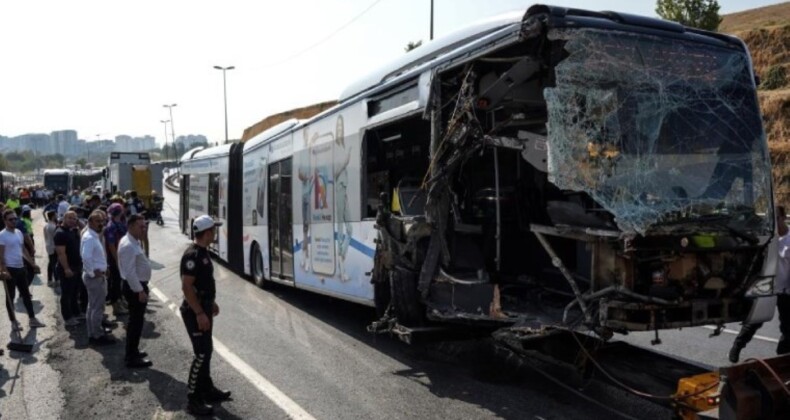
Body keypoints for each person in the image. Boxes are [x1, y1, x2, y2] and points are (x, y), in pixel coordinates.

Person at [180, 215, 231, 415]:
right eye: (214, 229)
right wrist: (200, 312)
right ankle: (193, 399)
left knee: (207, 351)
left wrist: (211, 303)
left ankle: (207, 389)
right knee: (200, 354)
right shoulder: (192, 255)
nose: (215, 233)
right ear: (207, 232)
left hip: (204, 307)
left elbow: (202, 283)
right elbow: (187, 286)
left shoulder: (202, 252)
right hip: (195, 311)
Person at [729, 205, 790, 362]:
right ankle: (737, 346)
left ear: (783, 218)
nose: (774, 222)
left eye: (776, 218)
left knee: (788, 327)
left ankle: (782, 357)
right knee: (755, 321)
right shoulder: (766, 237)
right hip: (767, 285)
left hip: (786, 288)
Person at [0, 209, 45, 330]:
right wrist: (3, 270)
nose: (14, 221)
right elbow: (1, 256)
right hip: (10, 269)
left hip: (21, 268)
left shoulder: (19, 232)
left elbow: (22, 250)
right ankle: (14, 322)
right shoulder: (2, 235)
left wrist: (32, 263)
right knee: (11, 296)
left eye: (15, 219)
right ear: (5, 221)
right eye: (11, 219)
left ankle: (32, 319)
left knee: (26, 295)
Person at [118, 214, 152, 367]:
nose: (144, 229)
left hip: (137, 286)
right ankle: (131, 357)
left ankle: (134, 350)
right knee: (135, 323)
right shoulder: (128, 245)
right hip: (135, 288)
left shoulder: (133, 241)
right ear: (131, 226)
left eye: (144, 226)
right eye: (141, 226)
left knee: (137, 322)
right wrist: (140, 291)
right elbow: (130, 272)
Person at [81, 210, 115, 346]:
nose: (101, 223)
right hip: (94, 278)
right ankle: (97, 335)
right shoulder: (90, 237)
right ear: (90, 222)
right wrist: (92, 272)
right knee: (97, 307)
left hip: (96, 276)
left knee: (92, 306)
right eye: (97, 221)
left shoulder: (92, 235)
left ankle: (93, 333)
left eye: (102, 221)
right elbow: (86, 256)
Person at [55, 211, 84, 327]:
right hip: (67, 268)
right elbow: (61, 254)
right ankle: (67, 317)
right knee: (66, 294)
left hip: (77, 267)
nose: (72, 220)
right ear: (64, 218)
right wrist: (66, 269)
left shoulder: (74, 230)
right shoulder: (60, 233)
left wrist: (78, 223)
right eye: (70, 218)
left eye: (75, 219)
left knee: (75, 292)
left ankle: (76, 312)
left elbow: (84, 228)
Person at [104, 203, 128, 317]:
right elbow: (111, 245)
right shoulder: (111, 226)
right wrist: (117, 260)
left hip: (122, 256)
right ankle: (115, 305)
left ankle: (120, 300)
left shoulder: (120, 223)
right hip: (115, 259)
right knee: (116, 282)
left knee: (121, 281)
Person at [43, 210, 58, 286]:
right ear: (53, 216)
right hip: (53, 247)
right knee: (54, 264)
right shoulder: (53, 226)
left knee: (51, 263)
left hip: (49, 245)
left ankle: (50, 279)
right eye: (56, 215)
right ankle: (56, 279)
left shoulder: (46, 225)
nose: (57, 216)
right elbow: (56, 238)